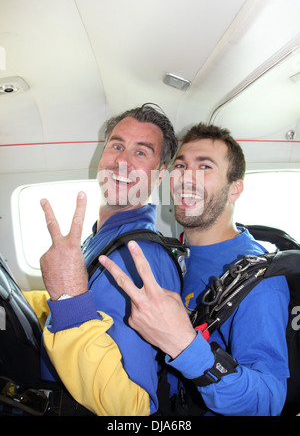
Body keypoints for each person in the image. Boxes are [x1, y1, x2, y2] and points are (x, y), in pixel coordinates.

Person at [99, 122, 290, 416]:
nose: (187, 177)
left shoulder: (257, 278)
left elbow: (267, 401)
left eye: (205, 167)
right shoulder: (168, 254)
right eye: (181, 165)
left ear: (235, 188)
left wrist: (185, 346)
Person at [23, 104, 182, 416]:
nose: (122, 161)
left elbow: (133, 408)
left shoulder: (139, 258)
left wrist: (68, 296)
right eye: (117, 145)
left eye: (141, 152)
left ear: (160, 173)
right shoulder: (102, 238)